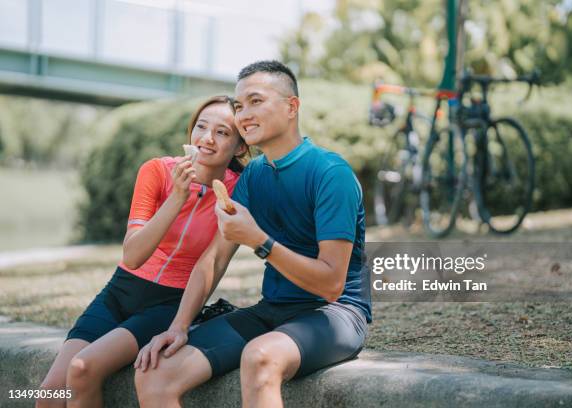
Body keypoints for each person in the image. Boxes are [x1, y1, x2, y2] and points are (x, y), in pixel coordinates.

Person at [134, 60, 371, 408]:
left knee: (259, 357)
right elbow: (214, 258)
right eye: (239, 106)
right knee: (155, 373)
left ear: (292, 107)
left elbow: (331, 283)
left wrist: (260, 241)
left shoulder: (330, 173)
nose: (244, 114)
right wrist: (179, 326)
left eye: (256, 101)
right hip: (273, 310)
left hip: (335, 314)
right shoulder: (254, 176)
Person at [36, 95, 249, 408]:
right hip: (120, 290)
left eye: (222, 132)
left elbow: (215, 262)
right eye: (201, 127)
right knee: (49, 394)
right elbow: (133, 256)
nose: (207, 138)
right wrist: (177, 197)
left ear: (240, 146)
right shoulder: (158, 172)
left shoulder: (238, 191)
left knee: (83, 368)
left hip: (169, 302)